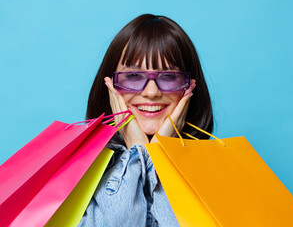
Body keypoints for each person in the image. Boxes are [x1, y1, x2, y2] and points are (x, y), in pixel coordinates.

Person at [79, 14, 213, 227]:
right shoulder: (80, 171)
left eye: (169, 76)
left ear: (189, 86)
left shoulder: (217, 172)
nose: (151, 92)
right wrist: (137, 154)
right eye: (133, 76)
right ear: (111, 86)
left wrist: (161, 155)